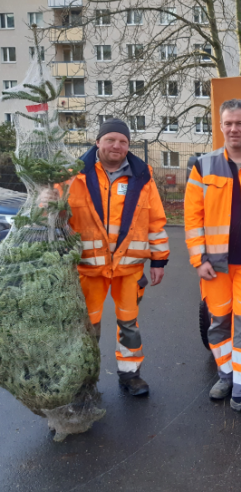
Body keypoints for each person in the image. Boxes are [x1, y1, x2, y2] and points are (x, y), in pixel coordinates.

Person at [184, 99, 241, 421]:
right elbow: (192, 218)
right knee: (219, 323)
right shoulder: (202, 166)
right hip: (215, 266)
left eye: (239, 123)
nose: (233, 128)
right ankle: (226, 377)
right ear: (220, 127)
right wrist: (198, 259)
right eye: (227, 123)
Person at [68, 118, 169, 396]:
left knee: (129, 326)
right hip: (88, 269)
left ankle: (130, 375)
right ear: (97, 142)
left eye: (123, 141)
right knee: (87, 328)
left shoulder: (142, 177)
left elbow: (156, 222)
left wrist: (159, 261)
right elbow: (56, 219)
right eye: (111, 139)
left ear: (128, 145)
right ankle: (84, 381)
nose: (117, 145)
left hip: (129, 270)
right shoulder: (74, 174)